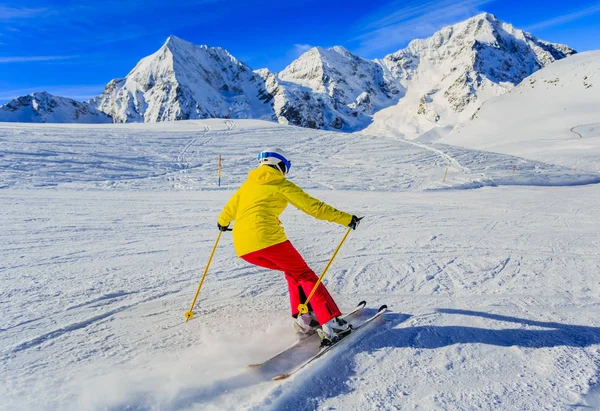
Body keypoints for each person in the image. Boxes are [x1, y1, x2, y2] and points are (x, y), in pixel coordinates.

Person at [217, 148, 362, 341]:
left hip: (244, 248)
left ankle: (305, 319)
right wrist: (346, 219)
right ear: (280, 165)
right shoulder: (281, 183)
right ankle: (331, 323)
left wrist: (222, 223)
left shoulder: (247, 186)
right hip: (269, 240)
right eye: (286, 167)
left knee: (293, 272)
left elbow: (228, 210)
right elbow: (313, 207)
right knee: (304, 274)